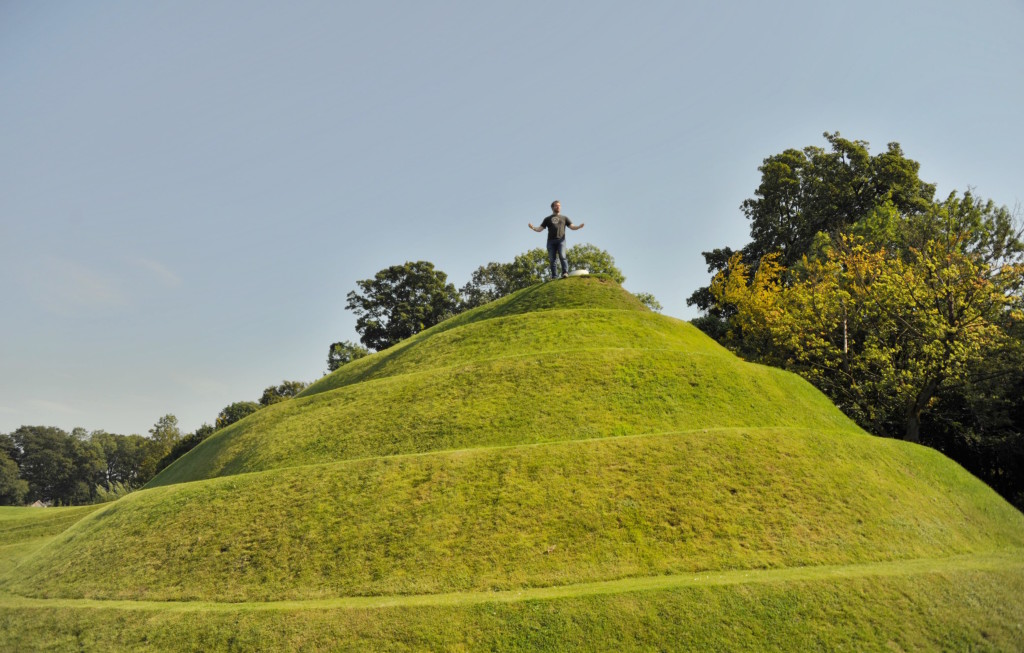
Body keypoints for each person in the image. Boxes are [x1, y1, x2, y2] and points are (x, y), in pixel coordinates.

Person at [528, 200, 585, 279]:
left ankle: (565, 272)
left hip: (561, 240)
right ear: (552, 207)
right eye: (556, 205)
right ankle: (554, 276)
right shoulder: (547, 219)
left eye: (559, 205)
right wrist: (533, 228)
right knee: (552, 259)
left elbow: (572, 226)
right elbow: (540, 229)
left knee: (562, 255)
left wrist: (578, 227)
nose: (558, 207)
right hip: (551, 241)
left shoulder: (564, 218)